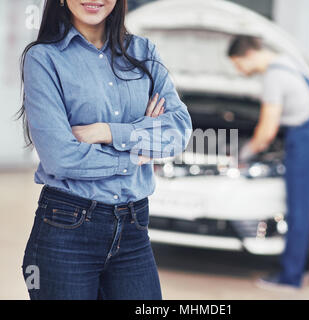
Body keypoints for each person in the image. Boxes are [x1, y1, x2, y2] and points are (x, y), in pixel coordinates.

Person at [18, 0, 192, 299]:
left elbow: (178, 132)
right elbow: (61, 158)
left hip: (134, 228)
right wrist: (139, 145)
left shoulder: (143, 52)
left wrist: (107, 132)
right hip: (66, 228)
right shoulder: (43, 58)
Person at [227, 35, 309, 289]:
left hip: (304, 141)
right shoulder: (292, 62)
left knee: (299, 210)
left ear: (247, 55)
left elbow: (266, 132)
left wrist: (241, 155)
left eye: (237, 64)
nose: (239, 71)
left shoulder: (273, 77)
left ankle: (290, 277)